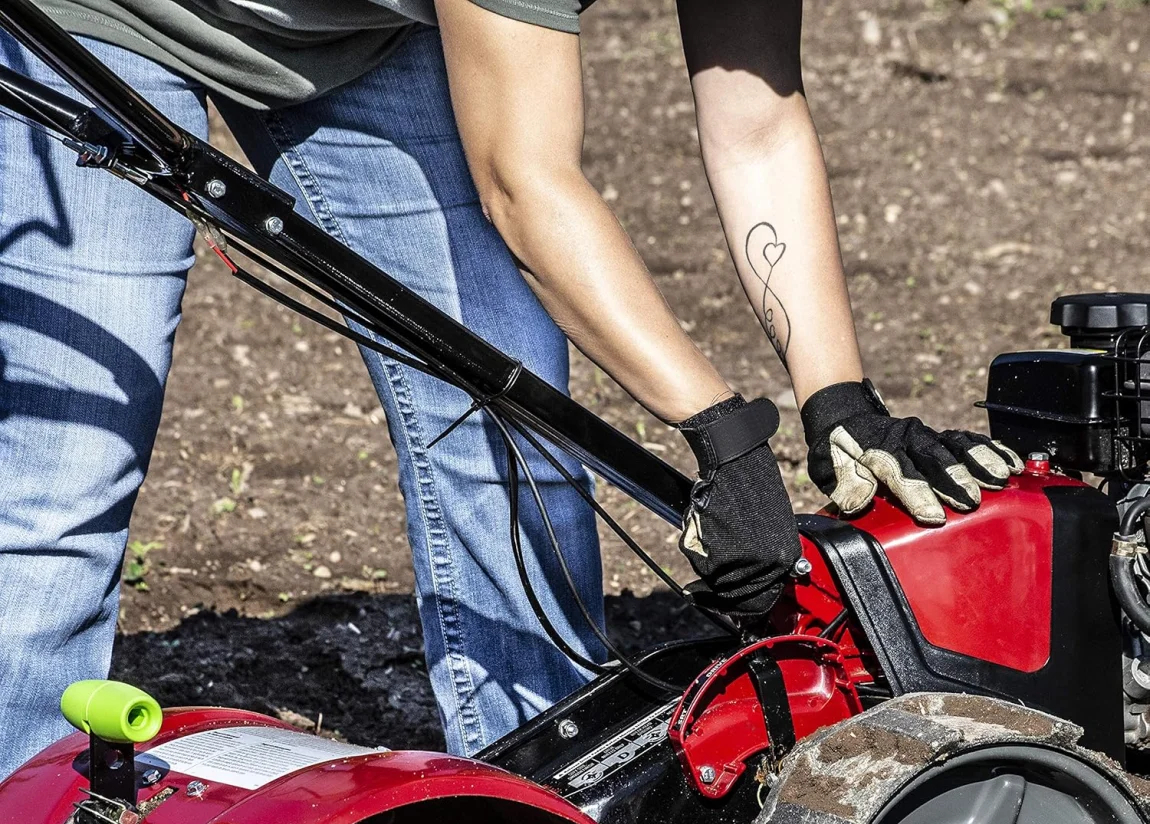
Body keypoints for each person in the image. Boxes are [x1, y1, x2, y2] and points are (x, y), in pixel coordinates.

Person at [0, 0, 1020, 778]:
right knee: (67, 467)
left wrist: (836, 398)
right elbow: (524, 183)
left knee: (509, 416)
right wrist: (723, 434)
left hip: (357, 32)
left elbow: (756, 127)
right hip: (115, 22)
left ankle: (553, 811)